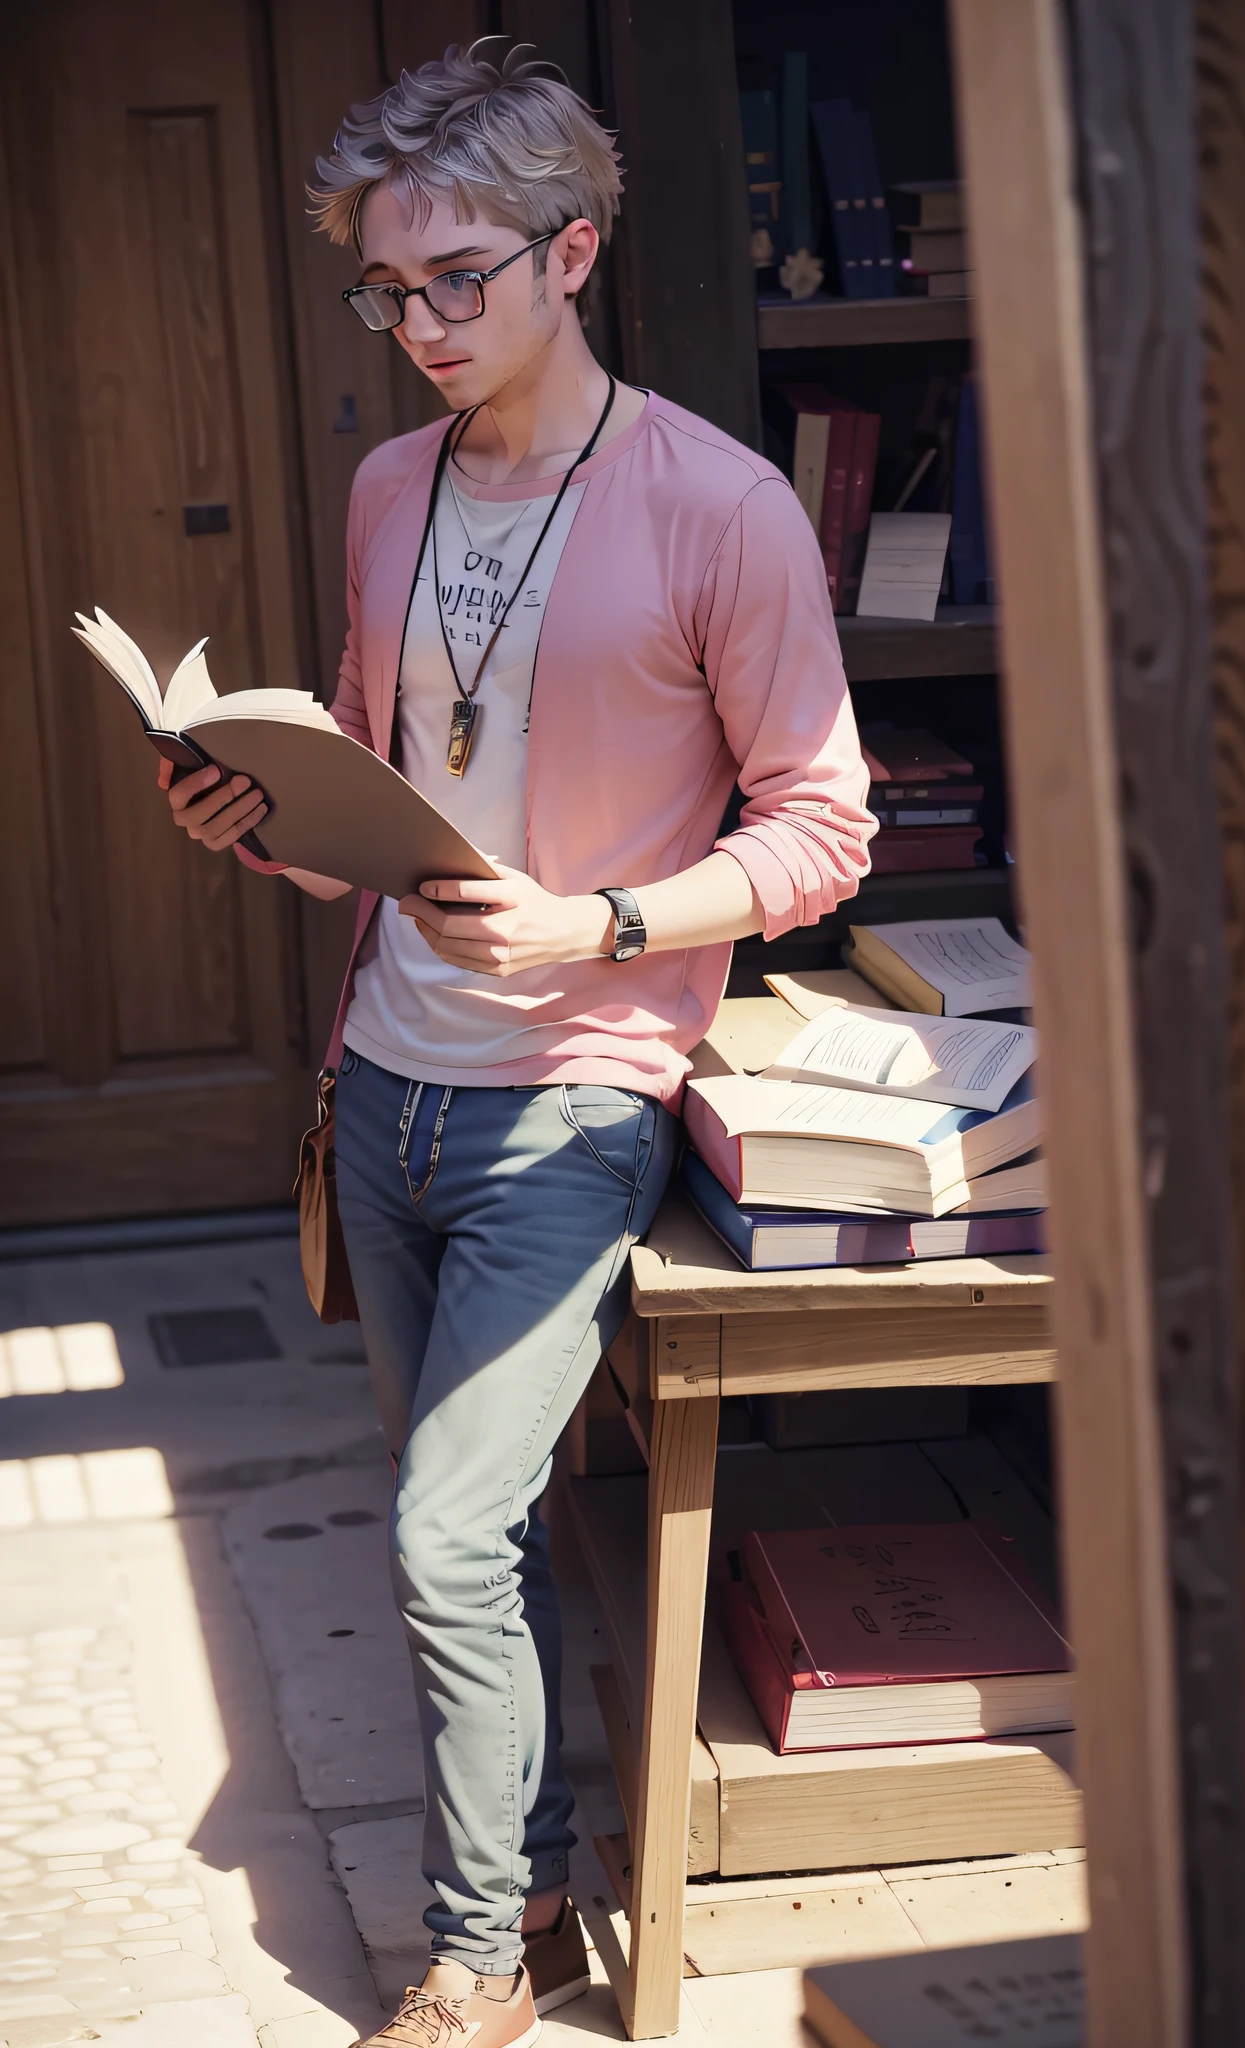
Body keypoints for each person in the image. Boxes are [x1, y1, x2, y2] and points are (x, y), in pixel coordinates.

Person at [160, 38, 874, 2048]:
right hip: (380, 1076)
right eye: (385, 292)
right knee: (461, 1521)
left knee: (437, 1523)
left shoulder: (713, 507)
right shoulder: (393, 485)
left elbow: (824, 827)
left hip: (576, 1093)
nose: (416, 330)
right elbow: (401, 790)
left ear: (572, 252)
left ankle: (477, 1949)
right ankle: (545, 1869)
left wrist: (609, 924)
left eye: (454, 279)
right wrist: (272, 820)